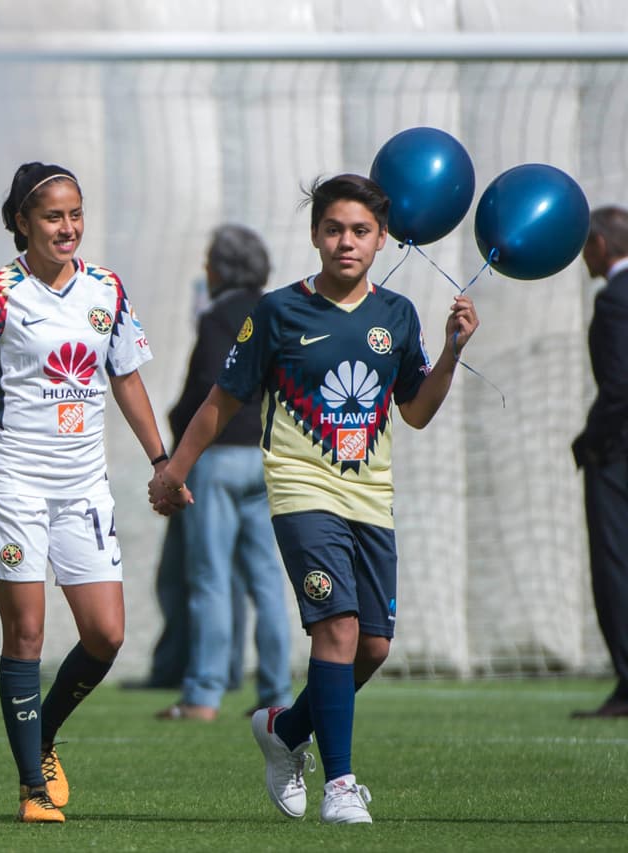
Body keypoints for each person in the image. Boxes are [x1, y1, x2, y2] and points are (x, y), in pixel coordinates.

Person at [150, 174, 478, 824]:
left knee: (373, 647)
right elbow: (221, 401)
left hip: (371, 498)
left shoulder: (398, 315)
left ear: (381, 240)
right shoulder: (277, 312)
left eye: (360, 231)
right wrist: (173, 471)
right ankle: (341, 784)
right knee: (337, 627)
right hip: (301, 491)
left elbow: (415, 411)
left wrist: (450, 352)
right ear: (314, 236)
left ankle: (284, 728)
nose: (345, 242)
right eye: (333, 229)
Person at [0, 161, 169, 823]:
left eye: (75, 214)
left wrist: (161, 461)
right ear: (22, 223)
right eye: (52, 216)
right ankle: (32, 787)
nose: (67, 227)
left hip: (84, 488)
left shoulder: (107, 290)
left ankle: (44, 734)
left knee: (107, 634)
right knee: (27, 633)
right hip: (14, 485)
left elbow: (126, 377)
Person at [155, 225, 291, 722]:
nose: (206, 269)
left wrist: (176, 431)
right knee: (267, 580)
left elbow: (208, 389)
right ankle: (278, 692)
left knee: (209, 577)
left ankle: (203, 694)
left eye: (210, 260)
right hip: (265, 456)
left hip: (218, 458)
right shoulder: (276, 311)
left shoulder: (217, 317)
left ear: (224, 268)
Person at [571, 205, 628, 719]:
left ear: (601, 246)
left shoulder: (614, 300)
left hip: (617, 453)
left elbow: (621, 384)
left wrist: (590, 441)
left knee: (615, 564)